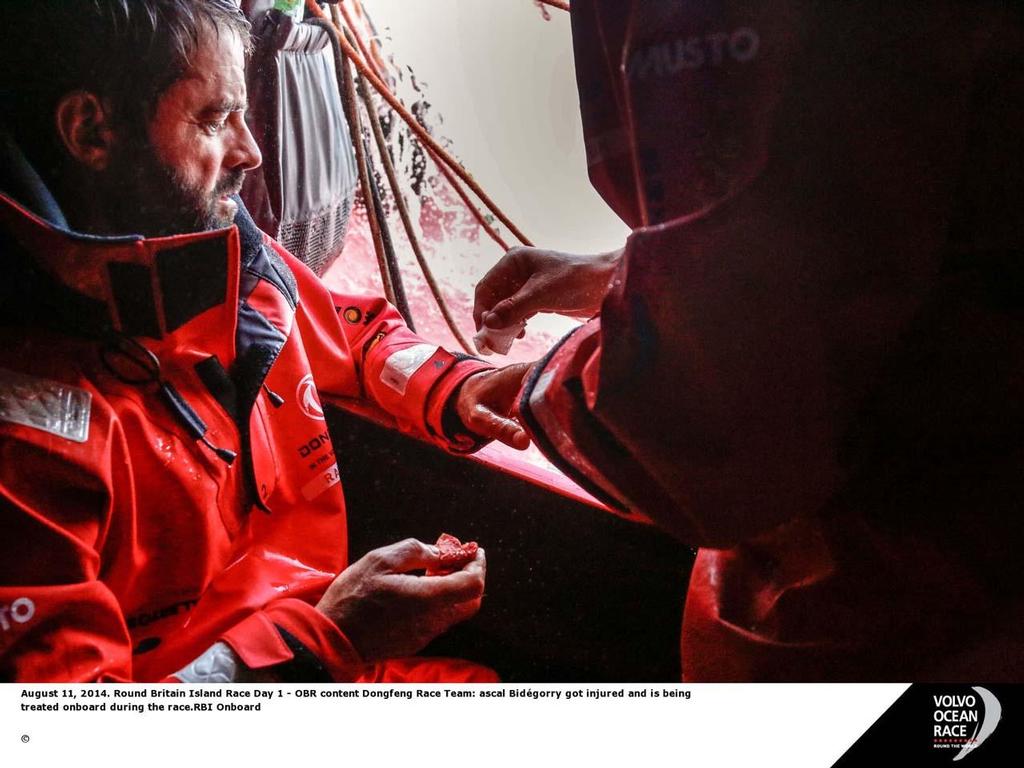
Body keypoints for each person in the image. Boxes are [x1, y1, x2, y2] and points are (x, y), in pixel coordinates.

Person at [474, 0, 1024, 680]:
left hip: (901, 586)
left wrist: (552, 380)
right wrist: (627, 274)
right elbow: (851, 210)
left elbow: (725, 420)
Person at [0, 0, 530, 683]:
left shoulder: (232, 266)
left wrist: (459, 388)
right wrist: (325, 642)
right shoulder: (26, 449)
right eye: (215, 120)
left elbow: (351, 335)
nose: (252, 152)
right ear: (91, 132)